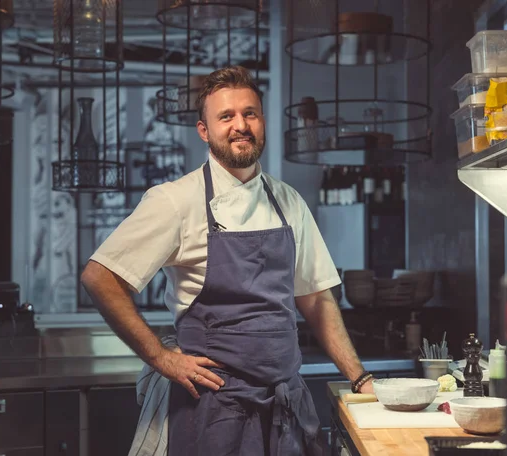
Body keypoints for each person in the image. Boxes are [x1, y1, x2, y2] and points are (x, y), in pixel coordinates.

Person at [81, 65, 374, 456]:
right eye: (226, 116)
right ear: (204, 131)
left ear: (262, 120)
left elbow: (316, 298)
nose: (241, 125)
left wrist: (360, 378)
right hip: (214, 413)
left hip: (287, 406)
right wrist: (161, 357)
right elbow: (100, 276)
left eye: (249, 113)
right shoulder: (175, 201)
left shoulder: (289, 202)